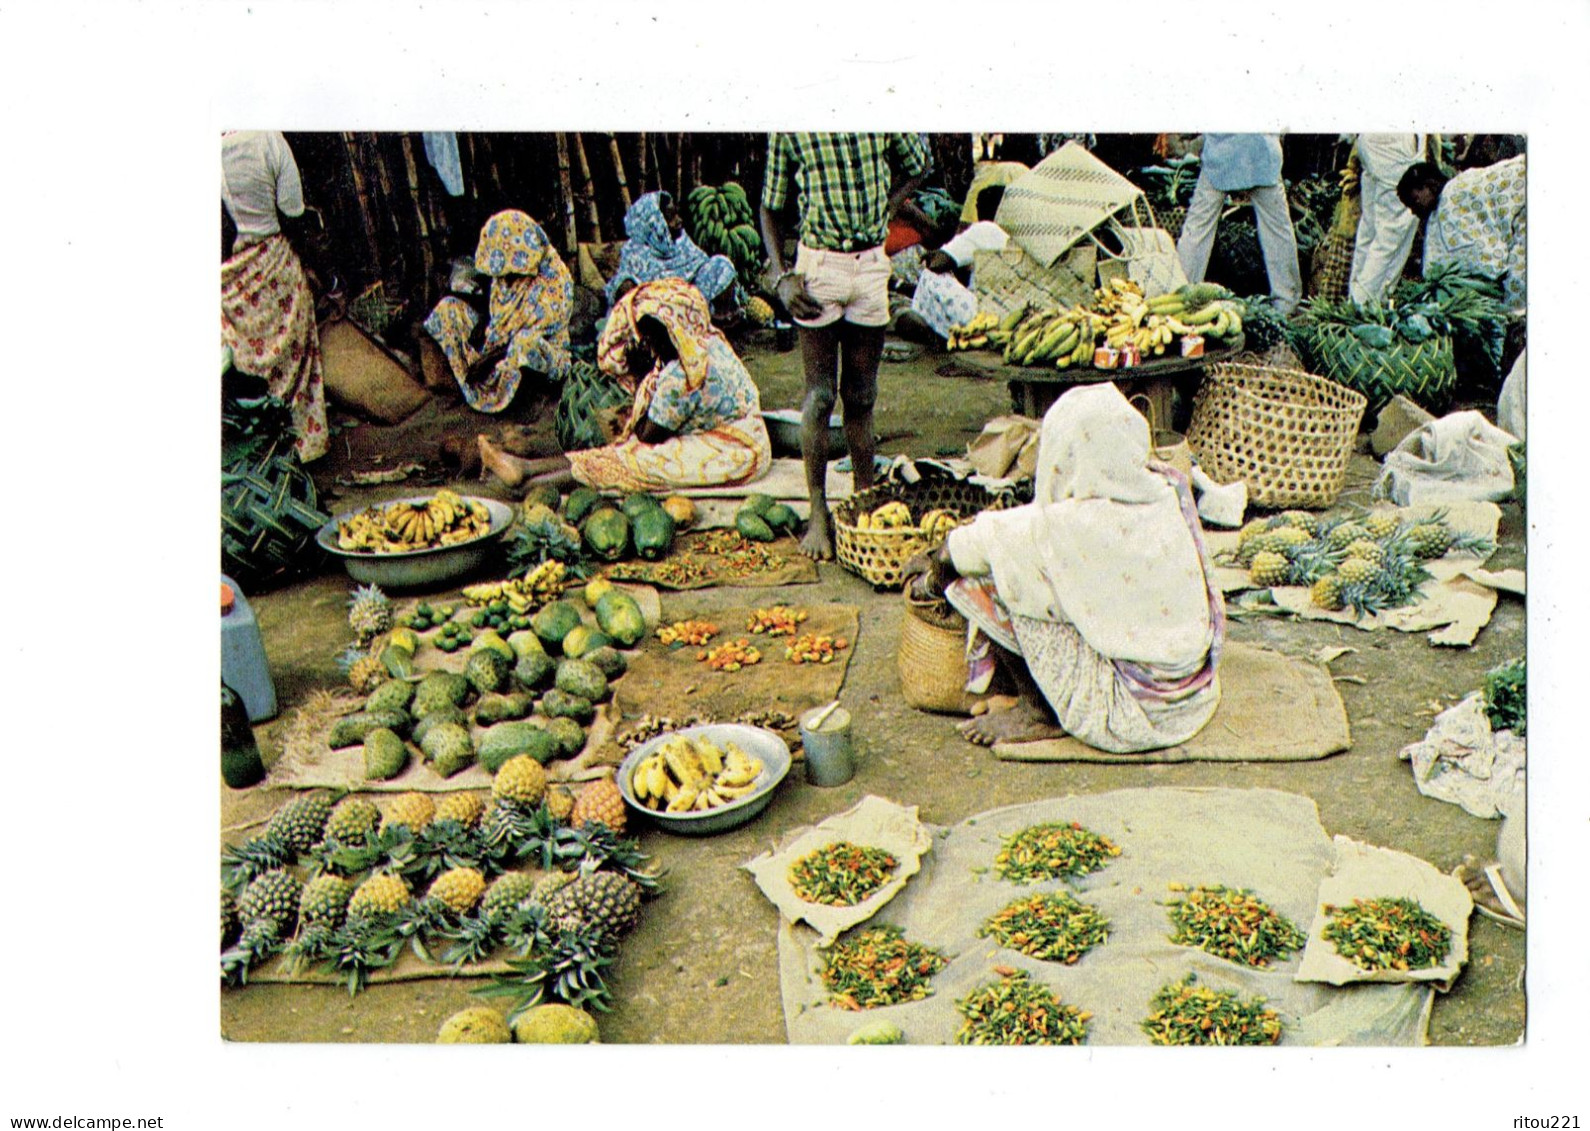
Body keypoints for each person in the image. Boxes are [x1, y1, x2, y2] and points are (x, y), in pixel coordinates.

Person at [905, 383, 1225, 753]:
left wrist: (931, 580)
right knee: (1023, 555)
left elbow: (955, 554)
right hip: (1191, 698)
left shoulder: (1068, 524)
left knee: (991, 569)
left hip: (1126, 715)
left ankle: (1037, 712)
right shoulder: (1166, 491)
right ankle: (1038, 695)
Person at [758, 132, 931, 559]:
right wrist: (782, 276)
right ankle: (819, 511)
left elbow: (920, 163)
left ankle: (863, 502)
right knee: (820, 397)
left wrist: (890, 206)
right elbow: (770, 206)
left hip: (871, 264)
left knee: (861, 395)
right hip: (819, 267)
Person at [477, 280, 771, 493]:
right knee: (624, 445)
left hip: (735, 454)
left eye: (650, 337)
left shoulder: (681, 377)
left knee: (633, 458)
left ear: (672, 332)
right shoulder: (710, 341)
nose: (644, 343)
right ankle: (525, 467)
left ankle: (530, 478)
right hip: (748, 434)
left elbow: (648, 436)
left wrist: (643, 377)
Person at [220, 130, 329, 463]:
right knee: (295, 368)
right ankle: (302, 449)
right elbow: (292, 212)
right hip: (276, 271)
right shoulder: (269, 139)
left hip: (230, 280)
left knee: (243, 372)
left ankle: (256, 457)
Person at [423, 210, 574, 413]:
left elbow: (536, 331)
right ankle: (470, 383)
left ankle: (520, 398)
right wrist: (482, 326)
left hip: (541, 353)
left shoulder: (555, 279)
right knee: (448, 309)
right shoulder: (503, 277)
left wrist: (491, 358)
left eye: (511, 270)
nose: (506, 278)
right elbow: (496, 314)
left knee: (524, 343)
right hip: (496, 348)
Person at [1176, 133, 1302, 315]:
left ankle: (1182, 296)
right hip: (1262, 152)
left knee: (1197, 229)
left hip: (1222, 155)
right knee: (1277, 229)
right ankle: (1287, 301)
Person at [1398, 155, 1526, 309]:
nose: (1413, 211)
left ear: (1429, 186)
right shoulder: (1456, 187)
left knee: (1517, 290)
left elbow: (1481, 256)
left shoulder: (1450, 201)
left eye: (1414, 202)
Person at [899, 185, 1009, 343]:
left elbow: (939, 263)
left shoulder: (985, 229)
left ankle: (941, 332)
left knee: (931, 274)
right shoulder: (1017, 234)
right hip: (1009, 309)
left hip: (982, 313)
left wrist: (935, 256)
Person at [604, 191, 741, 316]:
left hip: (692, 300)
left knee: (722, 265)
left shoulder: (681, 241)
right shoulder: (636, 250)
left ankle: (705, 316)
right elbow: (625, 286)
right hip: (659, 309)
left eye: (677, 214)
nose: (679, 221)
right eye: (671, 218)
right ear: (655, 223)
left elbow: (701, 266)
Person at [1348, 134, 1425, 304]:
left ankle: (1355, 297)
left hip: (1370, 141)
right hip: (1393, 146)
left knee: (1370, 228)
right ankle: (1362, 304)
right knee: (1391, 234)